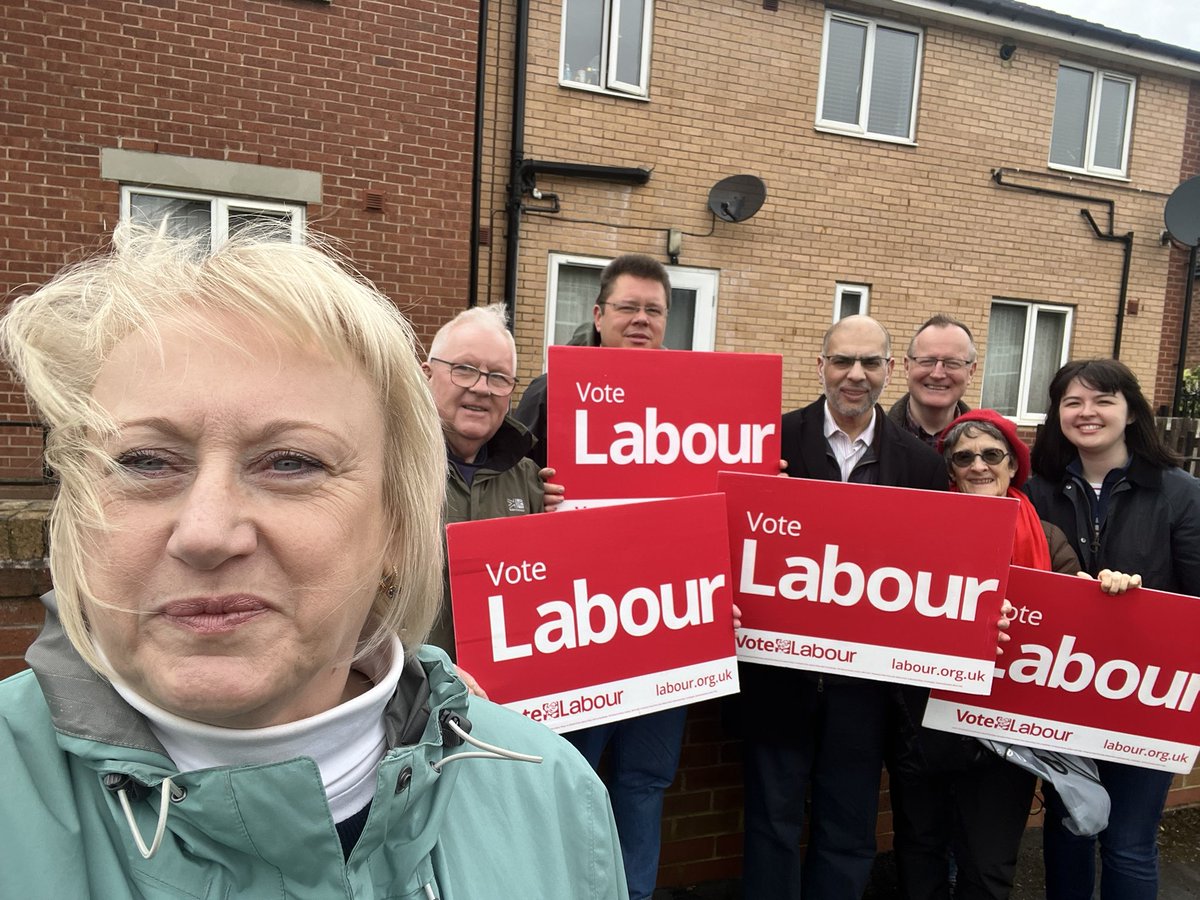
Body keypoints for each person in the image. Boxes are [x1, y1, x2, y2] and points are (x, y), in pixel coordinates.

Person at [0, 225, 628, 899]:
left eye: (292, 462)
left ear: (395, 529)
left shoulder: (554, 795)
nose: (207, 533)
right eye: (144, 461)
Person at [739, 315, 947, 900]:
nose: (855, 375)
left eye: (871, 363)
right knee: (771, 822)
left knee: (849, 828)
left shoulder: (922, 466)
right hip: (777, 673)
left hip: (867, 687)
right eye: (842, 361)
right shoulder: (769, 443)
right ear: (821, 366)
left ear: (889, 370)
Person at [889, 408, 1114, 900]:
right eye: (964, 456)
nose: (978, 466)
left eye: (993, 455)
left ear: (1014, 466)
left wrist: (1107, 591)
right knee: (919, 851)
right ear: (949, 469)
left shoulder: (1050, 540)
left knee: (988, 867)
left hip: (1005, 736)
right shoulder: (921, 529)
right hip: (926, 722)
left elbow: (1077, 625)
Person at [514, 253, 681, 900]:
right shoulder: (553, 390)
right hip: (582, 623)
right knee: (574, 773)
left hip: (669, 621)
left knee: (646, 779)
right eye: (628, 308)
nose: (641, 321)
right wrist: (541, 499)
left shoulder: (689, 391)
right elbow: (511, 486)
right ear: (598, 314)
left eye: (654, 311)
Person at [1026, 358, 1200, 900]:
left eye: (1102, 400)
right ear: (1057, 414)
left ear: (1130, 411)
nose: (1087, 412)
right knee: (1071, 830)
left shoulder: (1181, 492)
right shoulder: (1037, 491)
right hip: (1064, 688)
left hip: (1145, 694)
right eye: (1072, 402)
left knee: (1127, 842)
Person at [423, 303, 545, 658]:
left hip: (506, 697)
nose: (481, 388)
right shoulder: (386, 472)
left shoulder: (531, 484)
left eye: (498, 377)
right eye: (464, 369)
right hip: (408, 700)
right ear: (426, 374)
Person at [888, 315, 978, 448]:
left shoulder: (993, 453)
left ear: (971, 371)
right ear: (907, 366)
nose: (937, 374)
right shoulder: (871, 438)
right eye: (927, 361)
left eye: (953, 363)